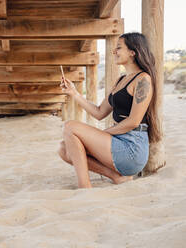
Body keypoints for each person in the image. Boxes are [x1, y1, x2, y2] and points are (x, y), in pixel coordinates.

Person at [58, 32, 162, 188]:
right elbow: (99, 112)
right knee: (64, 149)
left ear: (133, 52)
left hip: (132, 148)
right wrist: (74, 93)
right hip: (118, 142)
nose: (114, 51)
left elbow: (133, 122)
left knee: (70, 126)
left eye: (119, 48)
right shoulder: (120, 80)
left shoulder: (143, 79)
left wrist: (102, 134)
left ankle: (84, 187)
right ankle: (117, 177)